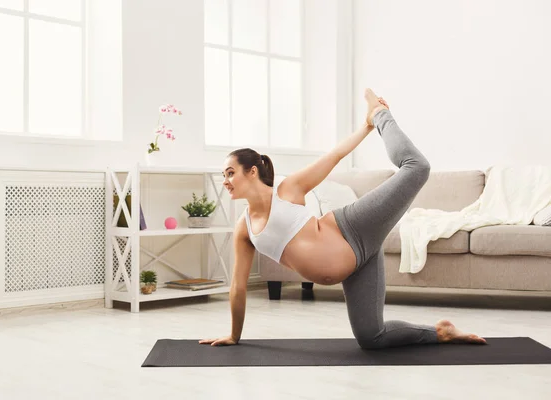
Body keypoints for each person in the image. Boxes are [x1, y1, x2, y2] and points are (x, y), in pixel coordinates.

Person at [199, 89, 486, 349]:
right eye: (223, 174)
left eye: (230, 172)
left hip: (354, 228)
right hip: (358, 265)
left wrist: (368, 124)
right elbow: (237, 286)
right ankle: (441, 332)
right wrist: (234, 335)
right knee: (372, 338)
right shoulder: (244, 229)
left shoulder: (288, 190)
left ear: (251, 172)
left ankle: (381, 114)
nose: (225, 180)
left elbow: (334, 156)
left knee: (417, 168)